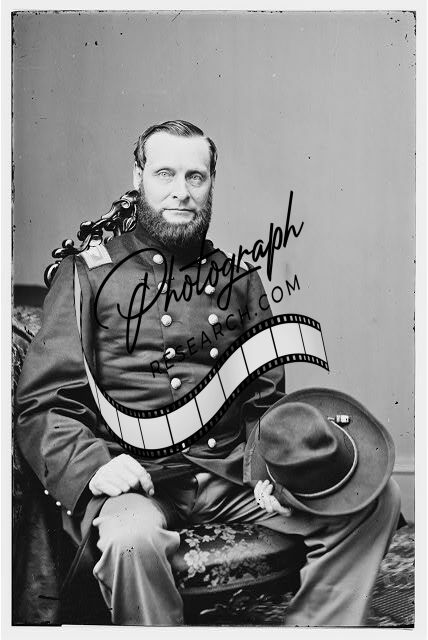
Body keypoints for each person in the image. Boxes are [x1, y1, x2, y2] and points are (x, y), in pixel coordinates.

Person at [16, 119, 401, 626]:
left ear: (211, 183)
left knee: (377, 499)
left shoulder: (240, 282)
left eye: (195, 177)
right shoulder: (86, 275)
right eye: (165, 174)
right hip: (137, 479)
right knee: (131, 540)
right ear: (138, 178)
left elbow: (263, 402)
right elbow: (43, 405)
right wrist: (93, 468)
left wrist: (267, 469)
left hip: (227, 474)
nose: (181, 191)